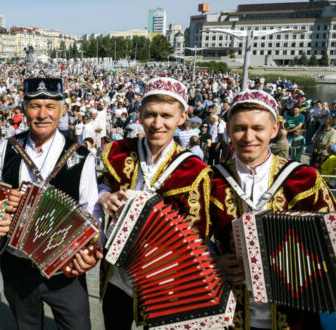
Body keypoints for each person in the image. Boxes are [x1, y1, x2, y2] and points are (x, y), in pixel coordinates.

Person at [210, 90, 336, 330]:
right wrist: (214, 262)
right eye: (239, 128)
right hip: (229, 316)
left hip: (296, 315)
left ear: (274, 130)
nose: (249, 137)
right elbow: (189, 237)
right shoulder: (210, 180)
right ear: (228, 132)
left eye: (258, 128)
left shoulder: (304, 179)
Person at [98, 77, 211, 330]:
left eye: (166, 116)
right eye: (150, 115)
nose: (157, 124)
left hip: (162, 282)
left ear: (182, 117)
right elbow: (102, 182)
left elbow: (198, 235)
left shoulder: (194, 170)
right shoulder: (120, 150)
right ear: (140, 115)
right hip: (117, 276)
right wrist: (104, 196)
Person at [0, 77, 103, 330]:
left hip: (65, 271)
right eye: (35, 106)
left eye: (50, 106)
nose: (42, 114)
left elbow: (92, 210)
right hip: (17, 266)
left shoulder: (80, 156)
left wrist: (90, 251)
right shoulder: (7, 149)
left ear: (62, 110)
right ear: (24, 109)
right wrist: (1, 205)